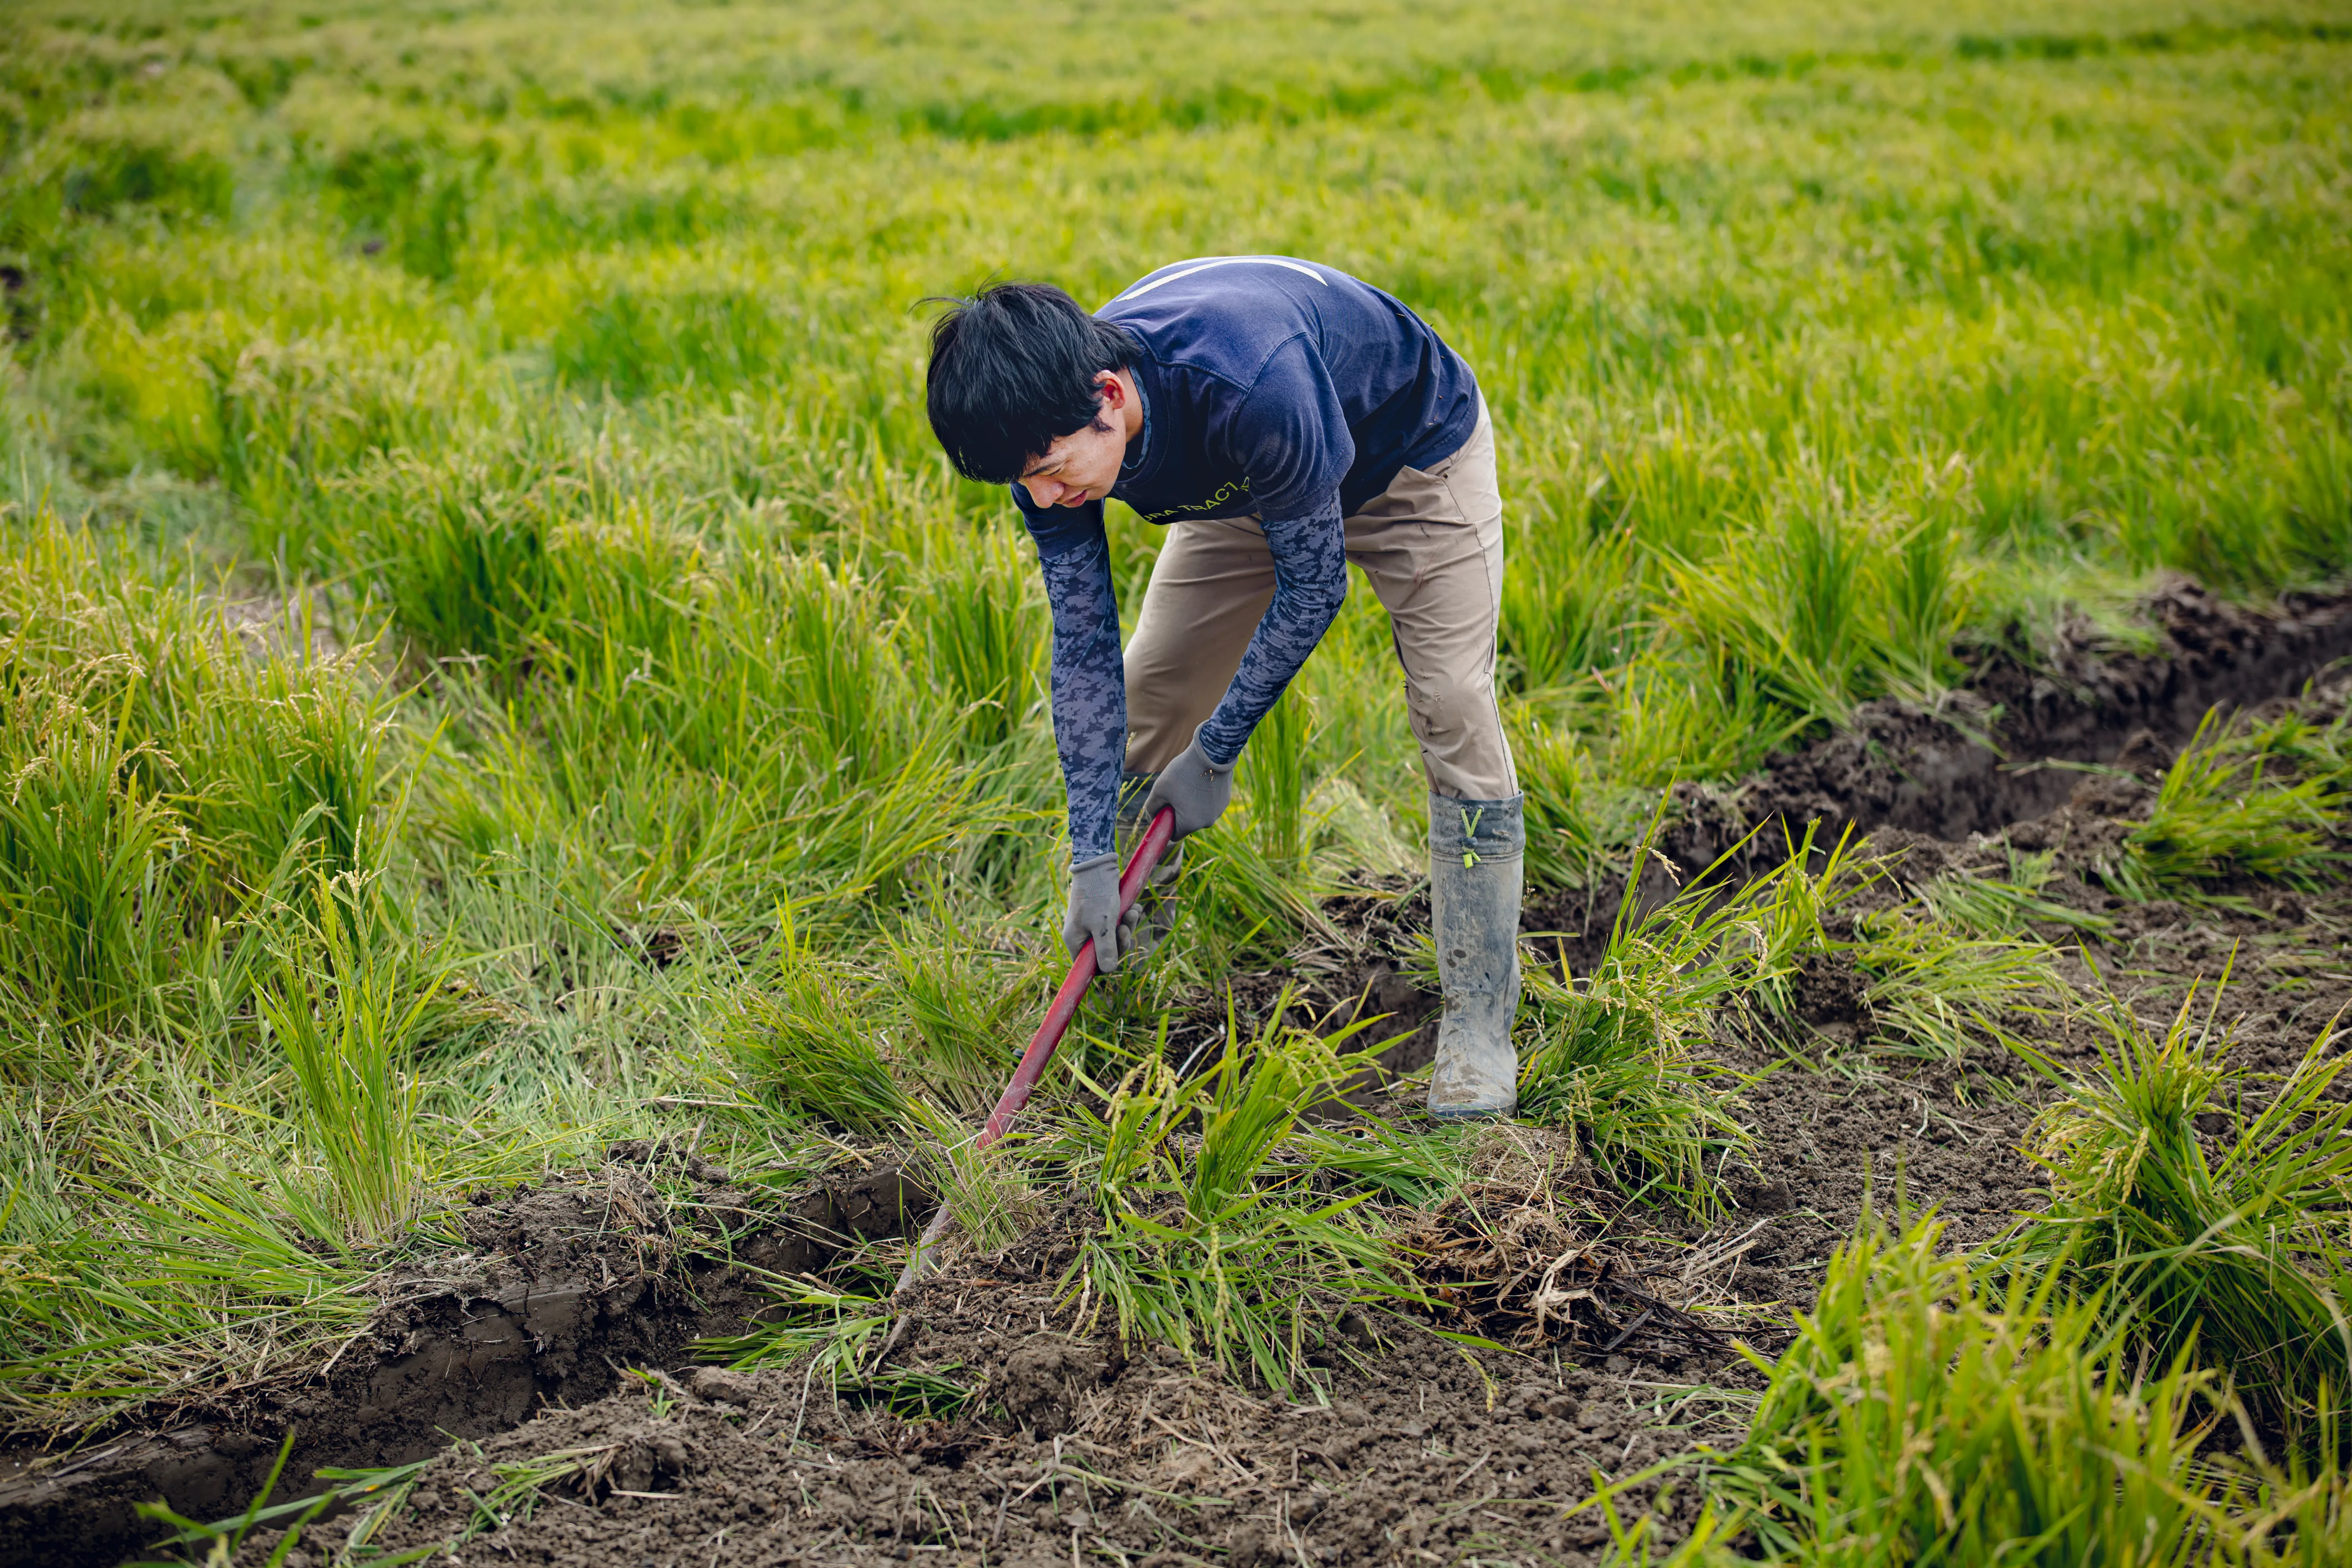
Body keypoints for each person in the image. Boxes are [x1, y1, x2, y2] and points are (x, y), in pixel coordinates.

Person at [923, 256, 1522, 1119]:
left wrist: (1217, 751)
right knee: (1151, 694)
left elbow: (1314, 589)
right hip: (1252, 491)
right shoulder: (1041, 442)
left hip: (1410, 467)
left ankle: (1479, 1016)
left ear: (1109, 395)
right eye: (1024, 483)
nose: (1044, 498)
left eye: (1053, 469)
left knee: (1454, 707)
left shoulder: (1247, 380)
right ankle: (1126, 960)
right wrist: (1090, 851)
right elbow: (1084, 645)